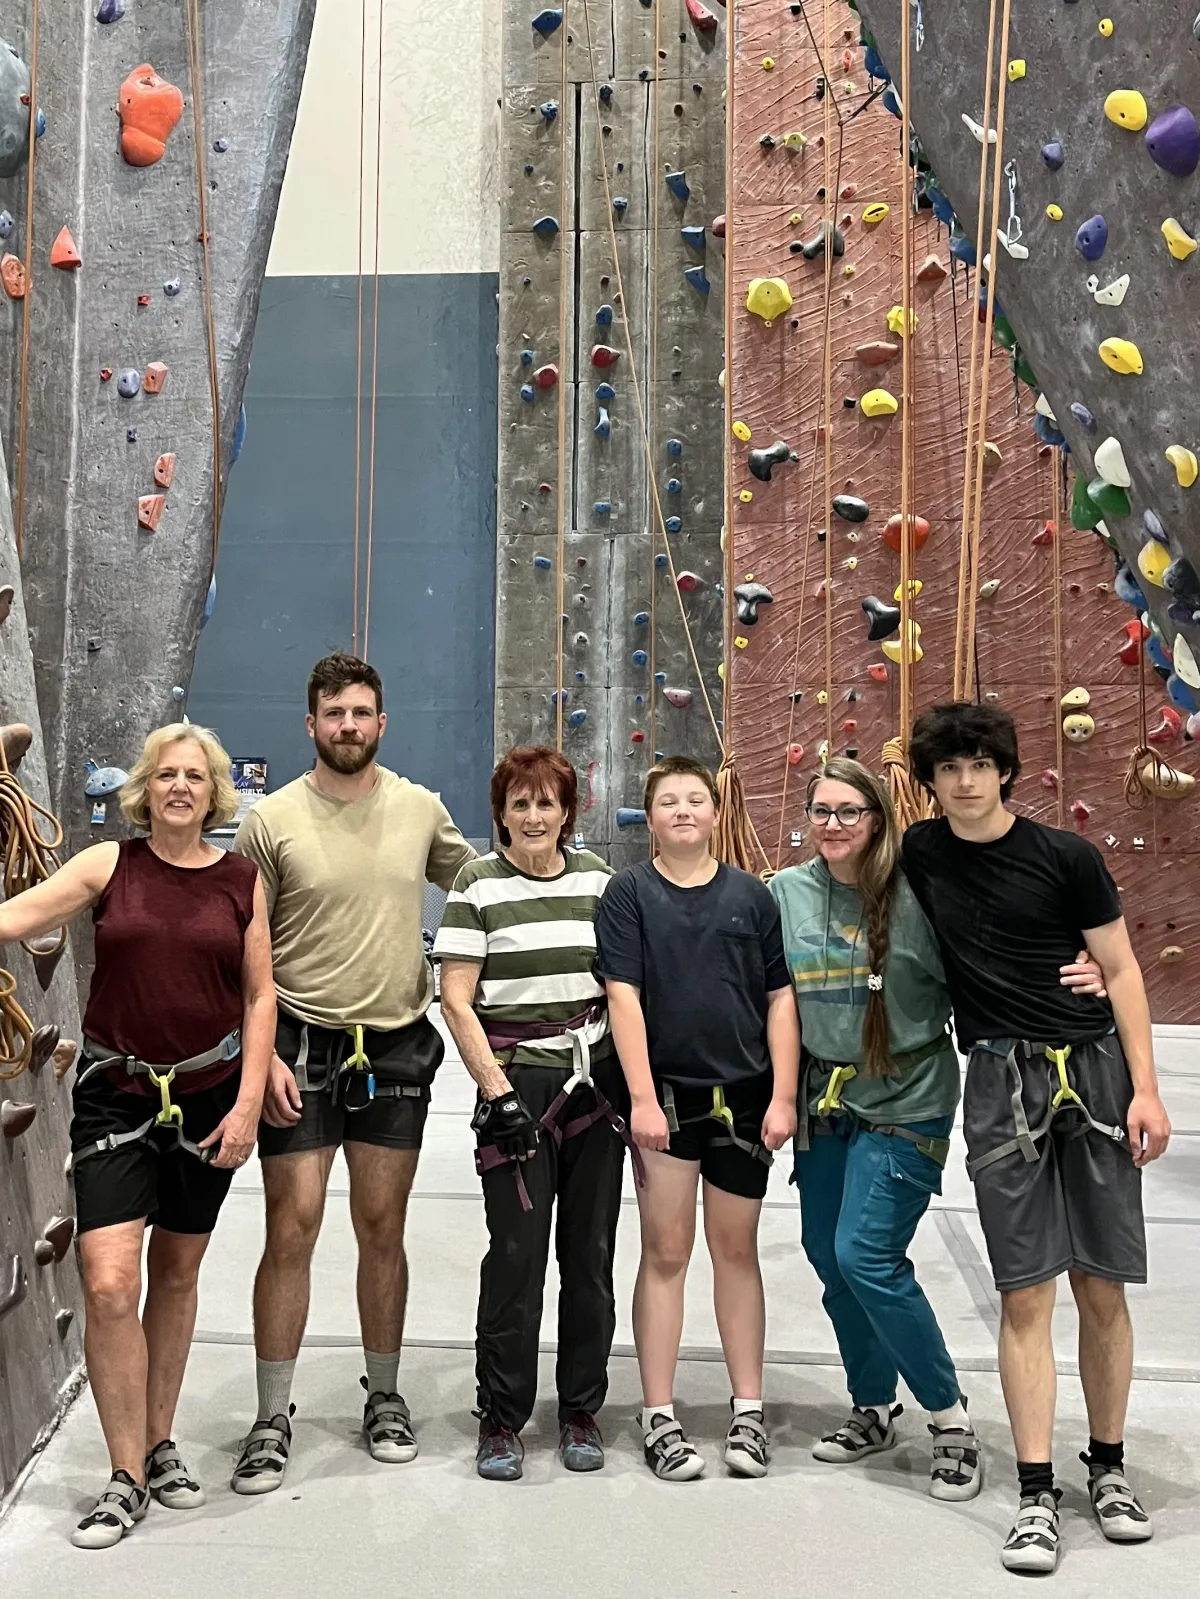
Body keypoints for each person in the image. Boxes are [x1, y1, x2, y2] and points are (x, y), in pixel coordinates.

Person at [769, 759, 1106, 1503]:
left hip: (909, 1097)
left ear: (879, 818)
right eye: (820, 810)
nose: (833, 824)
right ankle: (872, 1402)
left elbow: (1013, 948)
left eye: (850, 810)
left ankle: (948, 1417)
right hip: (824, 1101)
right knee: (829, 1255)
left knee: (867, 1252)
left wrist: (1096, 965)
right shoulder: (784, 894)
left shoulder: (924, 894)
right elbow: (759, 987)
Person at [905, 702, 1171, 1575]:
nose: (967, 779)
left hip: (1091, 1072)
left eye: (981, 763)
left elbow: (1123, 968)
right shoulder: (923, 853)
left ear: (1007, 770)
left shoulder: (1068, 857)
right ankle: (1033, 1491)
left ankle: (1109, 1467)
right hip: (998, 1079)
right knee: (1026, 1292)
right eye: (949, 767)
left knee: (1101, 1283)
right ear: (932, 781)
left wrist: (1149, 1089)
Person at [0, 724, 274, 1549]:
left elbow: (261, 996)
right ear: (145, 788)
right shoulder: (108, 865)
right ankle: (123, 1476)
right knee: (112, 1281)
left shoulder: (240, 881)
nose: (181, 787)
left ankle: (160, 1443)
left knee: (178, 1275)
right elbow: (17, 915)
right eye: (166, 775)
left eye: (195, 775)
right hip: (116, 1096)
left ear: (215, 791)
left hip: (210, 1097)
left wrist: (250, 1102)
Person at [229, 652, 476, 1493]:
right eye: (332, 713)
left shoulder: (419, 810)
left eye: (361, 712)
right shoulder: (272, 820)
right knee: (291, 1226)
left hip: (397, 1042)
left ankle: (387, 1394)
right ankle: (271, 1415)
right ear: (310, 724)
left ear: (382, 722)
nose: (347, 726)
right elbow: (246, 948)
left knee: (382, 1227)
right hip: (300, 1044)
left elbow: (484, 890)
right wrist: (256, 1060)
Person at [595, 756, 799, 1481]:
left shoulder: (752, 896)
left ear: (716, 813)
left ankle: (749, 1409)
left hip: (743, 1101)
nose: (682, 810)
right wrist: (643, 1097)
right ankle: (659, 1411)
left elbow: (779, 996)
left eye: (695, 800)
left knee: (736, 1249)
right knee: (667, 1249)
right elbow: (623, 995)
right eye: (667, 801)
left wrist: (782, 1094)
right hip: (670, 1102)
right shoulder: (629, 894)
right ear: (648, 819)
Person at [436, 746, 630, 1481]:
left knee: (590, 1254)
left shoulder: (600, 885)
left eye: (546, 802)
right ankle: (501, 1415)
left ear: (567, 811)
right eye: (519, 803)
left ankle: (581, 1406)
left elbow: (622, 988)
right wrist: (497, 1092)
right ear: (501, 813)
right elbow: (457, 997)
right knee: (516, 1256)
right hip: (521, 1087)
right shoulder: (476, 886)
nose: (533, 815)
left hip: (593, 1088)